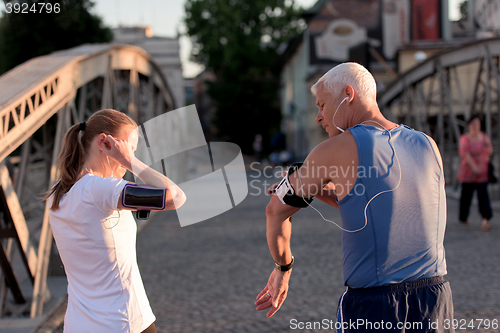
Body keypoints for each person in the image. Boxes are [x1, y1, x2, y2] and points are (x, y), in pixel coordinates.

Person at [255, 63, 454, 332]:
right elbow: (379, 206)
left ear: (348, 94)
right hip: (435, 297)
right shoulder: (427, 144)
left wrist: (283, 268)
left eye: (322, 105)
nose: (318, 116)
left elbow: (275, 210)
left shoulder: (334, 149)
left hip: (376, 303)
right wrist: (322, 189)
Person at [47, 109, 186, 333]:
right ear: (105, 142)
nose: (130, 155)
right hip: (124, 322)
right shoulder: (99, 189)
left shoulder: (58, 193)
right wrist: (131, 163)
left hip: (78, 324)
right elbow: (176, 196)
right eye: (128, 148)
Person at [457, 115, 493, 231]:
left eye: (477, 124)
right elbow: (465, 154)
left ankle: (485, 218)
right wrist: (474, 167)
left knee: (483, 196)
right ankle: (464, 218)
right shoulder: (465, 139)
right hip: (468, 173)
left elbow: (490, 150)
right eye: (473, 124)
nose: (475, 126)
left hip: (482, 173)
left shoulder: (484, 137)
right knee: (466, 197)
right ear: (469, 126)